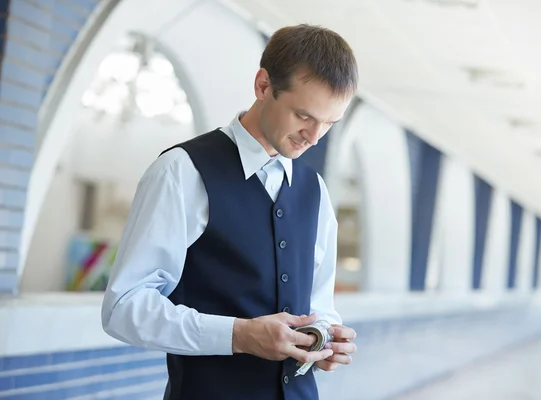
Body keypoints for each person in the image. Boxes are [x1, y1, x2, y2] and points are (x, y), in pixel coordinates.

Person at [101, 23, 359, 400]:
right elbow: (124, 307)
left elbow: (318, 306)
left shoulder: (315, 191)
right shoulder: (182, 171)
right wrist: (239, 336)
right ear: (263, 85)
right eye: (304, 116)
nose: (315, 136)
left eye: (329, 123)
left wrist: (326, 338)